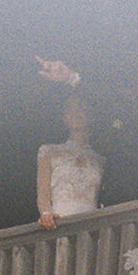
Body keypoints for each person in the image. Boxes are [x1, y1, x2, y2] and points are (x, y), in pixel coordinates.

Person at [36, 59, 104, 229]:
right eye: (70, 109)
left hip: (92, 227)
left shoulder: (101, 159)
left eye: (81, 108)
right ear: (64, 117)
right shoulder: (49, 152)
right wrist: (46, 213)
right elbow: (43, 194)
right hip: (60, 223)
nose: (76, 113)